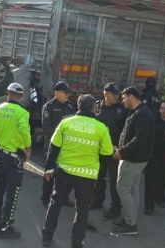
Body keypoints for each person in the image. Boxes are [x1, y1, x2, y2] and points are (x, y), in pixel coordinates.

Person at [42, 95, 114, 248]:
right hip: (87, 176)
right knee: (82, 209)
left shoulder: (66, 122)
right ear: (94, 108)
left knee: (55, 204)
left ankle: (47, 236)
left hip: (64, 172)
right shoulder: (101, 128)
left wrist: (49, 168)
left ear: (78, 107)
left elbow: (53, 148)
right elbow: (107, 155)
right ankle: (77, 243)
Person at [0, 83, 32, 239]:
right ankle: (4, 227)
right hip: (14, 156)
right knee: (12, 190)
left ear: (8, 93)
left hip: (0, 152)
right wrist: (28, 148)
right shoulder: (22, 113)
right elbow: (24, 131)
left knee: (0, 183)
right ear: (20, 96)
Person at [110, 86, 154, 236]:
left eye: (123, 98)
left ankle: (130, 224)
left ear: (131, 97)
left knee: (122, 188)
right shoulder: (139, 112)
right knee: (133, 190)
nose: (122, 101)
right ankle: (130, 219)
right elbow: (131, 134)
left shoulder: (142, 114)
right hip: (137, 158)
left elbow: (140, 138)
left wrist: (122, 151)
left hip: (133, 159)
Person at [89, 82, 128, 220]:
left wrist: (121, 147)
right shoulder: (97, 107)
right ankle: (97, 200)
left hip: (113, 150)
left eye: (117, 94)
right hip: (98, 149)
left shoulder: (122, 109)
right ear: (105, 94)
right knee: (97, 177)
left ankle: (116, 207)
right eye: (113, 94)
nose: (116, 97)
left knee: (114, 180)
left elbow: (126, 130)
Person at [41, 81, 77, 208]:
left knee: (65, 174)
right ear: (57, 93)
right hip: (53, 145)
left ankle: (63, 197)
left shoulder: (71, 106)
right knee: (50, 172)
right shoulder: (49, 107)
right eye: (65, 93)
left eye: (68, 93)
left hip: (68, 146)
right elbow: (47, 127)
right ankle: (46, 197)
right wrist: (59, 140)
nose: (68, 95)